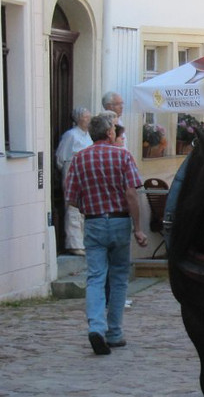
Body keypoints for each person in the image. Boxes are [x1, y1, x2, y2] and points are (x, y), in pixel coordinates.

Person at [63, 112, 147, 355]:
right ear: (110, 133)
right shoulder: (123, 156)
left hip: (94, 222)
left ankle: (96, 327)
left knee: (96, 277)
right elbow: (131, 194)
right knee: (119, 277)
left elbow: (71, 198)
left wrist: (89, 207)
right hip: (120, 221)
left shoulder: (80, 158)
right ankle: (115, 332)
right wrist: (137, 228)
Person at [55, 107, 92, 256]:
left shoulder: (88, 135)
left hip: (86, 171)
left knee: (84, 207)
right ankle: (74, 243)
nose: (88, 120)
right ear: (78, 119)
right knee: (73, 208)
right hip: (73, 169)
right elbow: (60, 157)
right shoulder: (71, 135)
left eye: (89, 117)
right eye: (85, 117)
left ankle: (83, 241)